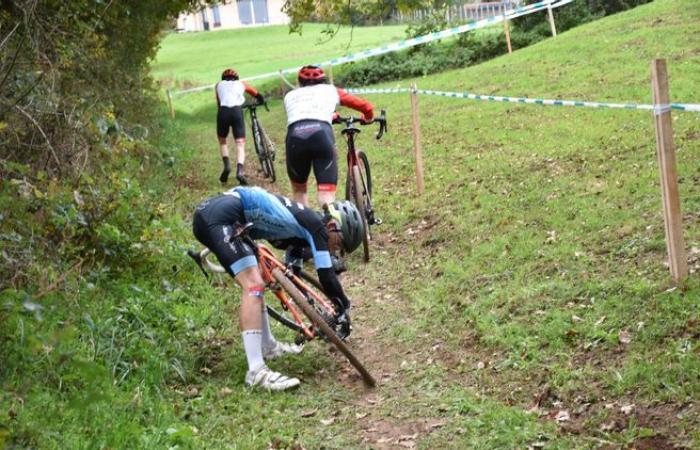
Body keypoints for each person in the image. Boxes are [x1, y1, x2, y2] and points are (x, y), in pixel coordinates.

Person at [192, 186, 364, 391]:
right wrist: (344, 306)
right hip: (219, 218)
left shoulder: (305, 225)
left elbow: (294, 254)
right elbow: (326, 275)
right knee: (253, 285)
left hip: (225, 214)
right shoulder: (318, 226)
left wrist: (296, 269)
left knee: (258, 277)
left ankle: (268, 346)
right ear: (334, 226)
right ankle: (256, 371)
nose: (335, 250)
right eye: (339, 243)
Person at [283, 65, 374, 208]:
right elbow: (366, 107)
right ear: (323, 80)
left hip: (295, 138)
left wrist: (332, 116)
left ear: (299, 82)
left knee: (299, 191)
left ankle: (305, 226)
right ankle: (332, 224)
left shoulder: (289, 96)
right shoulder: (330, 90)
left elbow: (306, 114)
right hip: (321, 135)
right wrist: (368, 117)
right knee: (326, 194)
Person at [216, 68, 265, 185]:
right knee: (240, 144)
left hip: (223, 112)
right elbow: (255, 93)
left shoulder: (218, 85)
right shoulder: (241, 83)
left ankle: (227, 166)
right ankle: (240, 171)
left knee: (222, 141)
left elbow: (219, 101)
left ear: (224, 79)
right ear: (236, 78)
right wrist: (261, 99)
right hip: (236, 112)